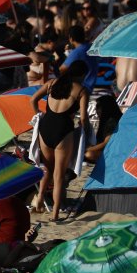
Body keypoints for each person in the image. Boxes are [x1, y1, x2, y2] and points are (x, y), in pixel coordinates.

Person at [30, 64, 89, 221]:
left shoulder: (52, 83)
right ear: (82, 75)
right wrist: (87, 134)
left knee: (47, 168)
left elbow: (33, 99)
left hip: (46, 126)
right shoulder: (82, 91)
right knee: (59, 175)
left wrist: (38, 115)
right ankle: (55, 213)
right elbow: (83, 119)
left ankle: (40, 198)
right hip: (63, 129)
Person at [84, 94, 122, 163]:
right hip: (110, 149)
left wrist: (89, 149)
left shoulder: (112, 122)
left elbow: (107, 142)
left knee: (89, 154)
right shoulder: (106, 119)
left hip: (115, 152)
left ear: (106, 107)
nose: (96, 109)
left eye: (98, 107)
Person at [60, 25, 100, 90]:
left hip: (82, 87)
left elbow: (62, 70)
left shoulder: (77, 52)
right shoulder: (89, 47)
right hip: (91, 84)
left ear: (71, 38)